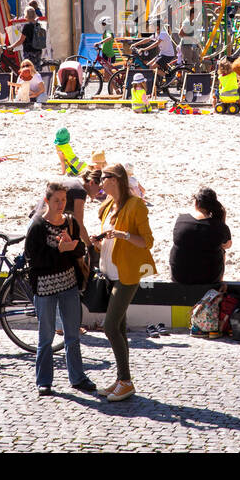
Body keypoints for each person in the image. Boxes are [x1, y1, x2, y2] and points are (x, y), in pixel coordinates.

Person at [27, 181, 98, 397]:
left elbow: (80, 251)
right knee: (46, 337)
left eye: (64, 200)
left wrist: (73, 246)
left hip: (68, 285)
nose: (61, 205)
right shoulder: (37, 225)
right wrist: (59, 250)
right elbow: (34, 259)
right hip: (45, 288)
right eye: (57, 200)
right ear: (47, 201)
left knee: (72, 335)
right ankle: (44, 381)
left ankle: (77, 378)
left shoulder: (70, 222)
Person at [91, 163, 154, 402]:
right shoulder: (108, 205)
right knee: (118, 328)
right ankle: (122, 380)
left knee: (109, 327)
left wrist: (124, 235)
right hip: (110, 273)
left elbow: (147, 241)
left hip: (127, 275)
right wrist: (100, 243)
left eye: (103, 178)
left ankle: (125, 381)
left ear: (115, 180)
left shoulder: (136, 205)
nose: (99, 182)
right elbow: (107, 237)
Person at [169, 187, 231, 286]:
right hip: (209, 279)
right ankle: (220, 281)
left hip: (179, 276)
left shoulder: (181, 219)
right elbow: (227, 245)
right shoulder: (219, 226)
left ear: (196, 203)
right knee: (222, 250)